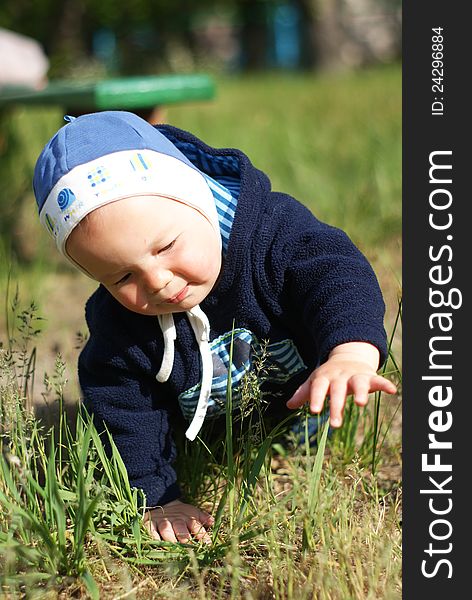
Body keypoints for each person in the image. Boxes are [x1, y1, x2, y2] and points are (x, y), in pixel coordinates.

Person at [33, 111, 397, 545]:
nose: (157, 281)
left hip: (304, 406)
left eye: (166, 247)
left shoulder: (271, 236)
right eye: (121, 278)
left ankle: (301, 431)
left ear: (197, 197)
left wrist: (350, 351)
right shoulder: (119, 328)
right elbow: (122, 407)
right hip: (203, 436)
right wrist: (156, 498)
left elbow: (334, 274)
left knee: (306, 416)